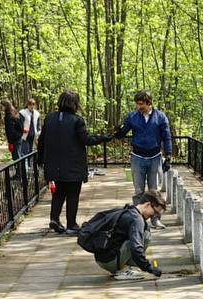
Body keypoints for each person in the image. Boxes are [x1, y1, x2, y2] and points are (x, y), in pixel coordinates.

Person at [37, 91, 112, 234]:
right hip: (73, 166)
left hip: (54, 165)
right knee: (72, 194)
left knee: (58, 193)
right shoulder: (77, 120)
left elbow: (41, 141)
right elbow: (86, 140)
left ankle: (54, 219)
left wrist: (40, 159)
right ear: (74, 104)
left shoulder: (49, 119)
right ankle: (71, 225)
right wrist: (103, 138)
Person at [114, 91, 172, 229]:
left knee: (154, 191)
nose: (139, 106)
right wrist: (118, 131)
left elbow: (167, 137)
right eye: (137, 104)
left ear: (148, 103)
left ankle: (155, 219)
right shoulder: (132, 117)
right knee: (138, 190)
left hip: (155, 157)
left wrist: (168, 156)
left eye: (141, 104)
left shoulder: (160, 117)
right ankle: (137, 220)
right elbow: (122, 133)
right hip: (137, 157)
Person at [88, 190, 165, 280]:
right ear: (147, 205)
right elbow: (136, 248)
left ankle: (125, 267)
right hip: (110, 262)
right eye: (155, 212)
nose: (154, 216)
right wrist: (149, 268)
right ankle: (125, 270)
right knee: (145, 235)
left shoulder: (129, 209)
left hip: (102, 259)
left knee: (141, 232)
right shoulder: (137, 220)